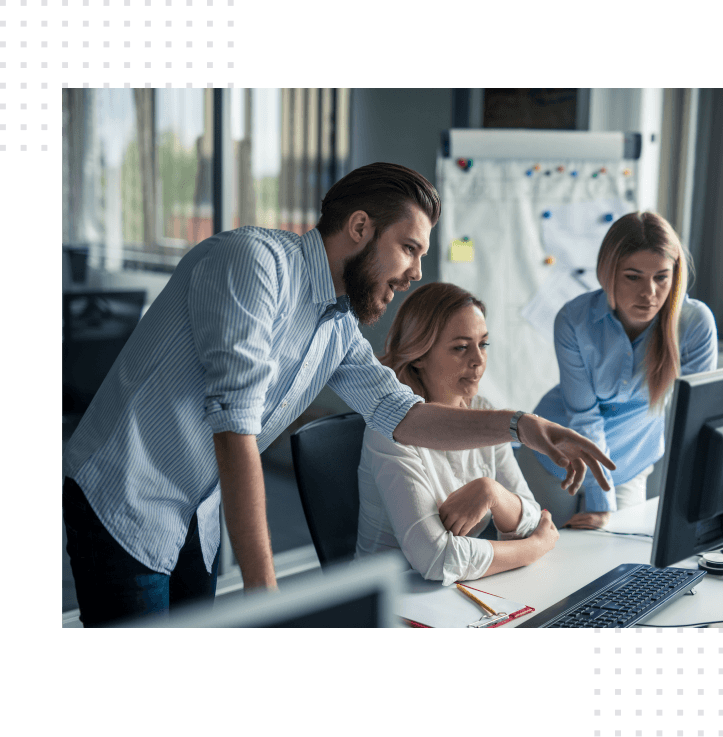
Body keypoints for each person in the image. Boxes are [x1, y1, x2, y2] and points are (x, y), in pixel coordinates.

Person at [62, 162, 616, 627]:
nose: (415, 273)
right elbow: (236, 430)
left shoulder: (336, 326)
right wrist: (266, 596)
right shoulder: (253, 265)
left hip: (197, 507)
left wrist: (522, 425)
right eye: (408, 248)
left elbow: (406, 416)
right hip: (127, 494)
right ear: (358, 227)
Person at [517, 211, 717, 531]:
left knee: (619, 560)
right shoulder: (574, 319)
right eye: (633, 276)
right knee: (541, 553)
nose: (649, 293)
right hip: (556, 456)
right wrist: (599, 503)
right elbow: (585, 416)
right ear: (608, 273)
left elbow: (694, 420)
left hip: (629, 464)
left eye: (661, 277)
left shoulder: (694, 324)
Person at [355, 283, 561, 585]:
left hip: (454, 593)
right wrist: (534, 549)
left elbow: (530, 518)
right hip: (390, 601)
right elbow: (437, 558)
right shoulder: (389, 429)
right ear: (418, 355)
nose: (478, 360)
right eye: (461, 347)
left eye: (484, 344)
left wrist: (491, 492)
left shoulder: (483, 411)